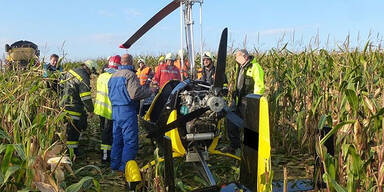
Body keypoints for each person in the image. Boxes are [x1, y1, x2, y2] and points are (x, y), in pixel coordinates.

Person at [108, 54, 152, 172]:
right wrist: (150, 91)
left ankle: (114, 166)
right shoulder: (130, 75)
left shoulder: (113, 76)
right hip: (126, 111)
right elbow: (134, 94)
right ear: (130, 62)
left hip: (115, 110)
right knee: (130, 140)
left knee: (117, 139)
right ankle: (125, 168)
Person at [224, 49, 265, 154]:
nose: (236, 59)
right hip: (238, 100)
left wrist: (254, 101)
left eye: (238, 57)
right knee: (231, 120)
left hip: (248, 101)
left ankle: (251, 151)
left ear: (245, 57)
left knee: (249, 125)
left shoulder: (255, 67)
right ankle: (234, 146)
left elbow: (259, 85)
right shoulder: (240, 67)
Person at [61, 60, 99, 156]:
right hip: (74, 107)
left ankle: (65, 151)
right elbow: (85, 97)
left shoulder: (71, 71)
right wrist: (91, 110)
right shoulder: (84, 77)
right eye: (91, 72)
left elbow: (61, 85)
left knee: (66, 130)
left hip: (63, 105)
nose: (91, 75)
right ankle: (72, 154)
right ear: (89, 69)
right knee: (74, 131)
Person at [94, 55, 121, 163]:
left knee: (104, 133)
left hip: (100, 109)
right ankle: (105, 157)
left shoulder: (101, 76)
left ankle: (105, 154)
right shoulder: (114, 78)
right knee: (108, 134)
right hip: (109, 110)